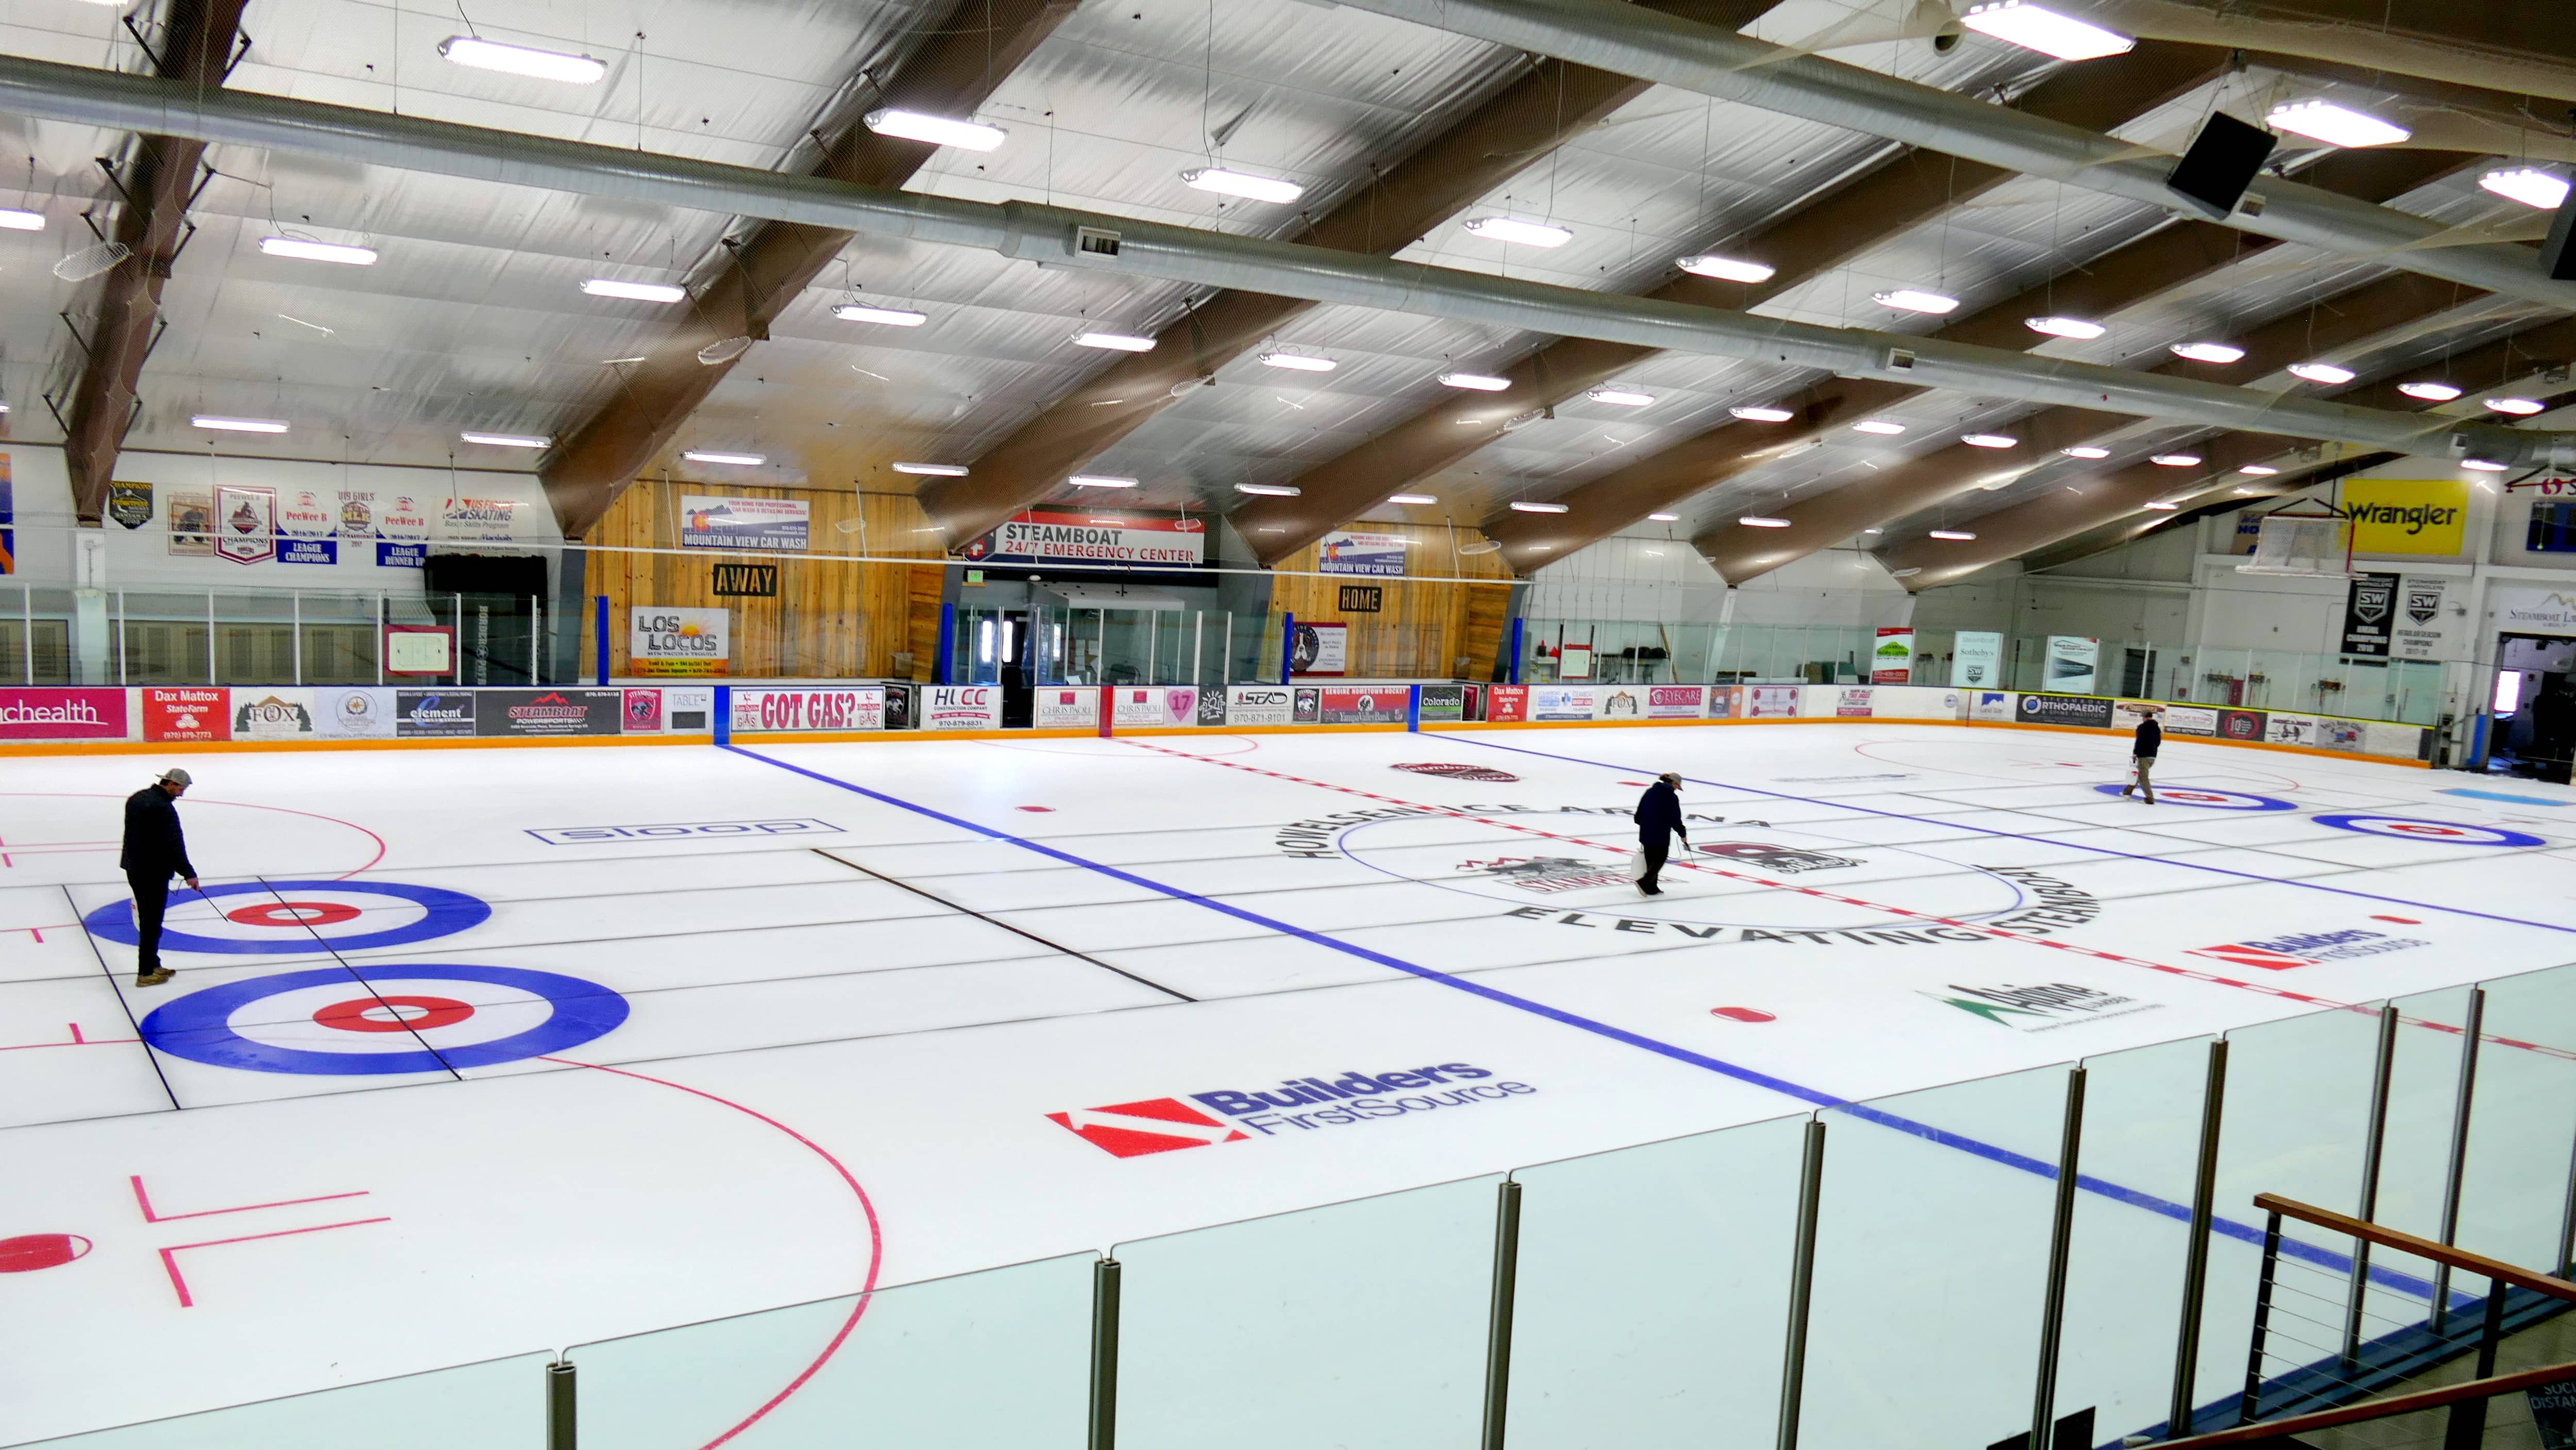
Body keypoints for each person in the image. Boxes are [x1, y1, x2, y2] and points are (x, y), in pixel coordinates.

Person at [121, 768, 200, 987]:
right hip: (153, 872)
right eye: (181, 789)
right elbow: (174, 844)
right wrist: (189, 873)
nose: (181, 795)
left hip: (134, 868)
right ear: (171, 784)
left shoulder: (137, 799)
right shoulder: (163, 809)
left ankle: (153, 964)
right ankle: (145, 972)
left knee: (148, 919)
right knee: (151, 923)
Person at [1632, 771, 1689, 895]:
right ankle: (1645, 882)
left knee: (1651, 860)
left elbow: (1639, 811)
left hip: (1646, 831)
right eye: (1677, 787)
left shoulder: (1650, 791)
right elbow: (1675, 819)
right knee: (1660, 859)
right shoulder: (1671, 797)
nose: (1677, 789)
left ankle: (1652, 887)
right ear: (1673, 783)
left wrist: (1642, 823)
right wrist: (1682, 834)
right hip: (1660, 833)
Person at [2119, 707, 2161, 804]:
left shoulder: (2142, 727)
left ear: (2145, 717)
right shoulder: (2157, 728)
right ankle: (2127, 792)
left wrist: (2135, 753)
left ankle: (2150, 799)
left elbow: (2139, 742)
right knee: (2139, 775)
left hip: (2143, 756)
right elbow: (2158, 742)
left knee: (2143, 778)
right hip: (2152, 756)